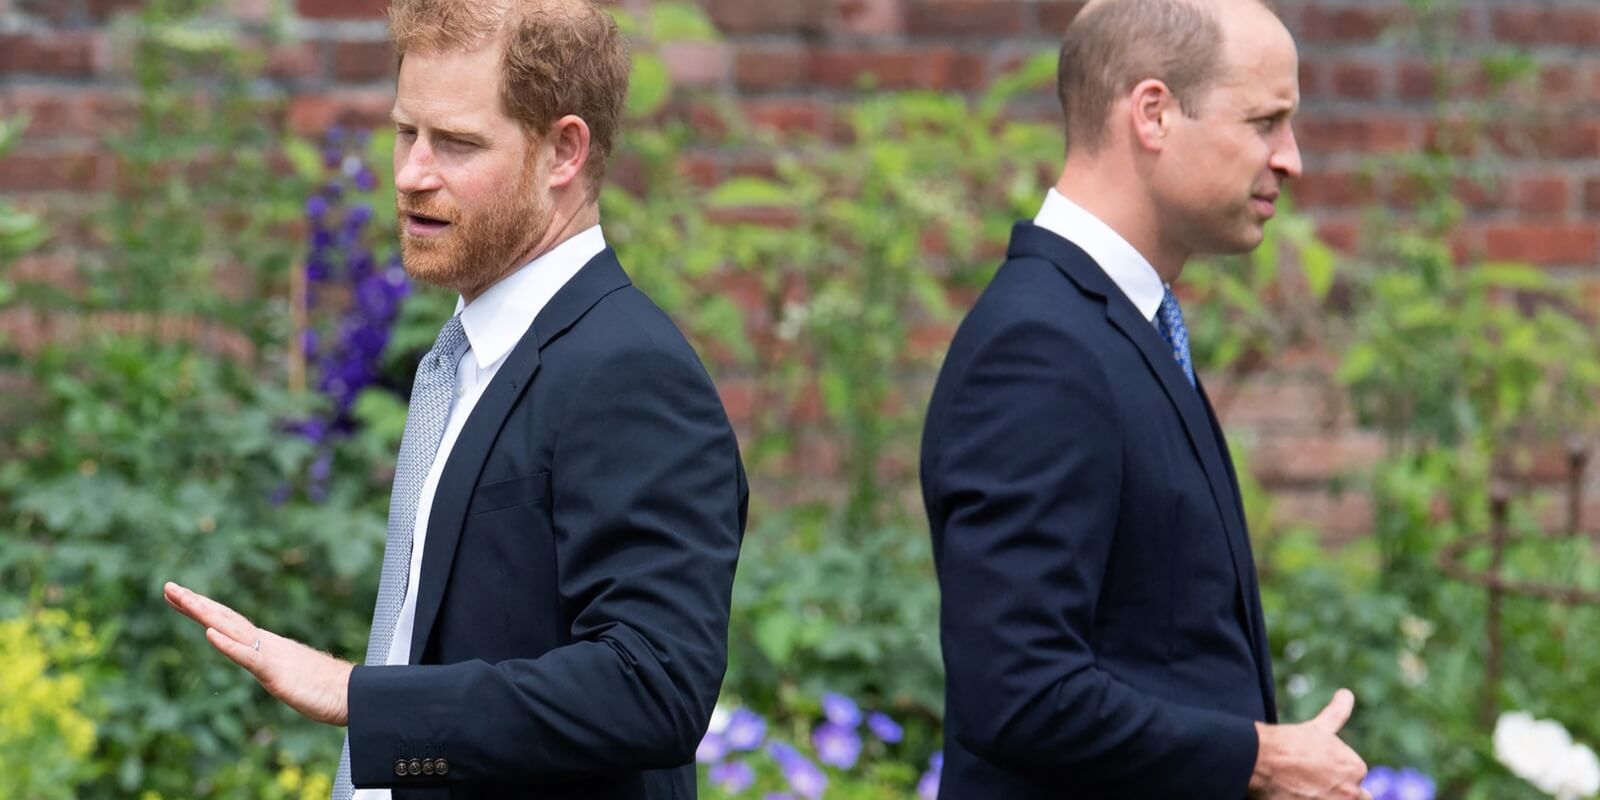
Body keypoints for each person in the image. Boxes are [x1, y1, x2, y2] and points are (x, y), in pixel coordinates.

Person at [165, 1, 748, 797]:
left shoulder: (628, 371)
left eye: (457, 143)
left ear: (563, 152)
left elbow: (654, 687)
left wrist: (355, 695)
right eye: (407, 132)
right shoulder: (467, 353)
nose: (411, 174)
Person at [919, 0, 1370, 797]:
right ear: (1153, 114)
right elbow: (1018, 693)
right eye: (1265, 121)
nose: (1291, 158)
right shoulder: (1042, 349)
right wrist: (1260, 759)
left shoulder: (1119, 325)